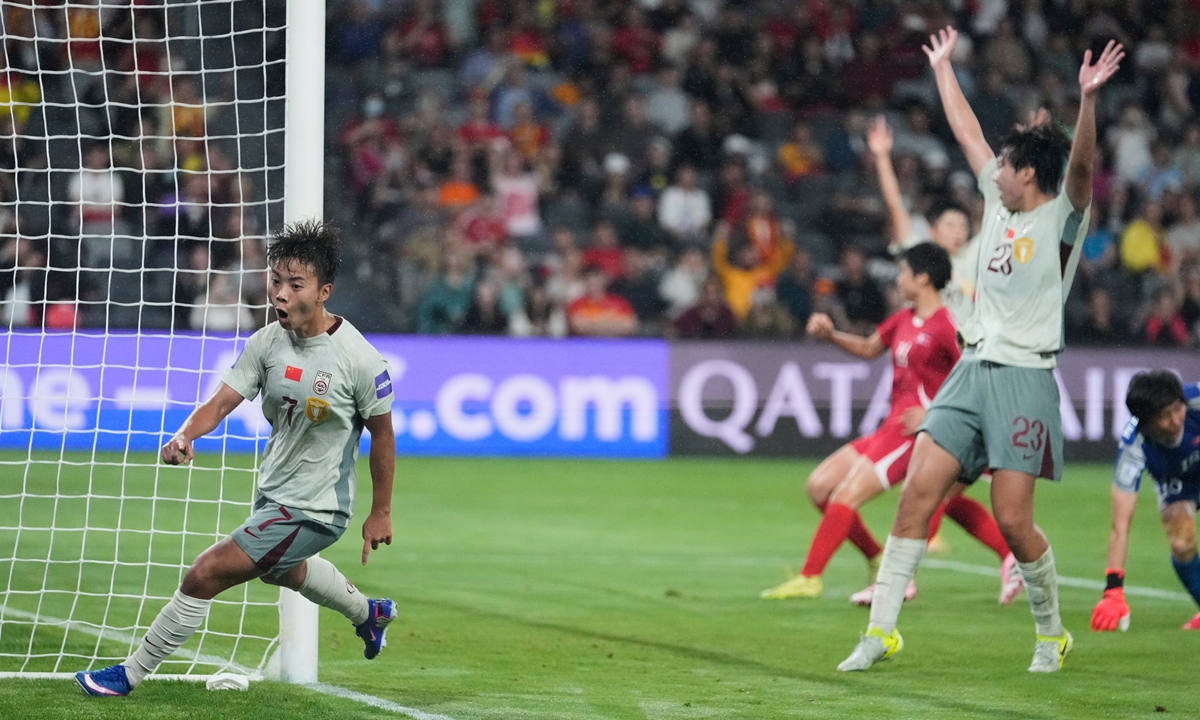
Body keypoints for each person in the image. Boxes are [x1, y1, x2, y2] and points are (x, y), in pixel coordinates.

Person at [838, 28, 1122, 674]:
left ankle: (1050, 633)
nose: (991, 168)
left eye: (1005, 163)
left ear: (1028, 174)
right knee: (916, 494)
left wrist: (1087, 102)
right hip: (969, 373)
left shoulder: (1061, 220)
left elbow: (1080, 168)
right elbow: (967, 132)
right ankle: (881, 632)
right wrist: (942, 70)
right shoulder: (997, 207)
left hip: (1025, 377)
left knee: (1013, 520)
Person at [75, 220, 398, 697]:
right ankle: (369, 614)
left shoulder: (361, 361)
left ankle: (128, 675)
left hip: (316, 507)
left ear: (324, 290)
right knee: (283, 571)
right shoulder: (267, 342)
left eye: (294, 285)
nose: (279, 295)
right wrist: (186, 435)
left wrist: (381, 510)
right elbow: (222, 401)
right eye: (275, 281)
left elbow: (383, 436)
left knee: (205, 573)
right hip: (276, 494)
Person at [760, 244, 1021, 606]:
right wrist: (831, 335)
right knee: (820, 486)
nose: (898, 279)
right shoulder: (903, 319)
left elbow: (974, 379)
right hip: (889, 427)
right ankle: (880, 557)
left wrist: (934, 418)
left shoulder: (947, 326)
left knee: (849, 496)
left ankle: (811, 577)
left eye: (903, 273)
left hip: (915, 435)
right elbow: (870, 348)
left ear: (923, 277)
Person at [1092, 371, 1200, 634]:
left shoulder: (1195, 399)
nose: (1175, 420)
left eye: (1177, 409)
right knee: (1180, 542)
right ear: (1145, 421)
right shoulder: (1133, 447)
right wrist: (1113, 589)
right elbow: (1120, 526)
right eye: (1164, 416)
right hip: (1179, 484)